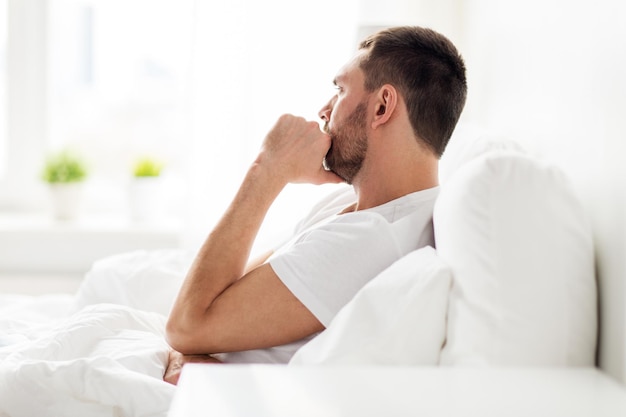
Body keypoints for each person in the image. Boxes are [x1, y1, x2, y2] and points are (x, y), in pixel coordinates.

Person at [164, 25, 467, 384]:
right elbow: (225, 289)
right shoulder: (353, 206)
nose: (324, 110)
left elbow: (186, 325)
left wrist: (267, 170)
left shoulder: (372, 239)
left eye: (339, 90)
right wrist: (190, 352)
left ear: (382, 106)